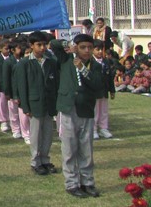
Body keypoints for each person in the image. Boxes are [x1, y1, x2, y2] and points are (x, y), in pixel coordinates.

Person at [57, 34, 102, 198]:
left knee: (86, 149)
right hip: (68, 108)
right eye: (83, 47)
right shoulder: (65, 60)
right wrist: (68, 44)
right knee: (69, 148)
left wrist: (83, 68)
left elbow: (97, 84)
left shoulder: (95, 66)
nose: (87, 50)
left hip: (86, 110)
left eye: (90, 47)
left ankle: (87, 182)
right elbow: (55, 44)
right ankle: (71, 183)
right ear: (76, 47)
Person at [17, 31, 59, 176]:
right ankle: (35, 161)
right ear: (31, 45)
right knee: (35, 134)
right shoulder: (25, 63)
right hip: (34, 103)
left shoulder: (51, 61)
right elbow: (22, 86)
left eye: (44, 45)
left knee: (48, 133)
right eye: (39, 45)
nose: (42, 48)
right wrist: (25, 106)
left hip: (49, 102)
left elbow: (55, 83)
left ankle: (45, 159)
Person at [92, 39, 115, 140]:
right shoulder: (90, 62)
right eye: (97, 49)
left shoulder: (106, 61)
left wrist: (112, 90)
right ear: (92, 50)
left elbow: (110, 77)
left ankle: (103, 128)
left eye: (101, 49)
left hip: (104, 90)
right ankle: (93, 129)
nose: (100, 52)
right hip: (94, 91)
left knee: (104, 110)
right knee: (95, 111)